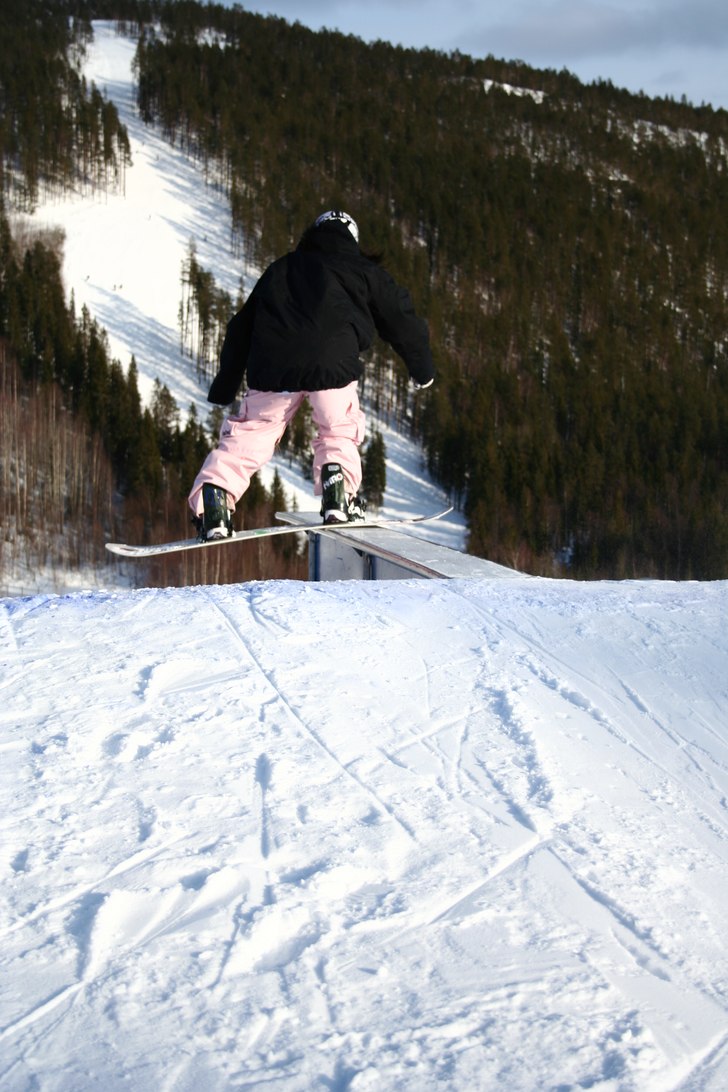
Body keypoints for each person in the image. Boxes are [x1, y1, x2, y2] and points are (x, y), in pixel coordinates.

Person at [189, 209, 435, 540]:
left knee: (251, 433)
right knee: (337, 428)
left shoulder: (281, 268)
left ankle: (216, 497)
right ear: (352, 240)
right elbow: (402, 318)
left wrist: (224, 387)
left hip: (274, 365)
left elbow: (240, 328)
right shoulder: (361, 269)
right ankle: (338, 493)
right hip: (332, 362)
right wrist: (422, 370)